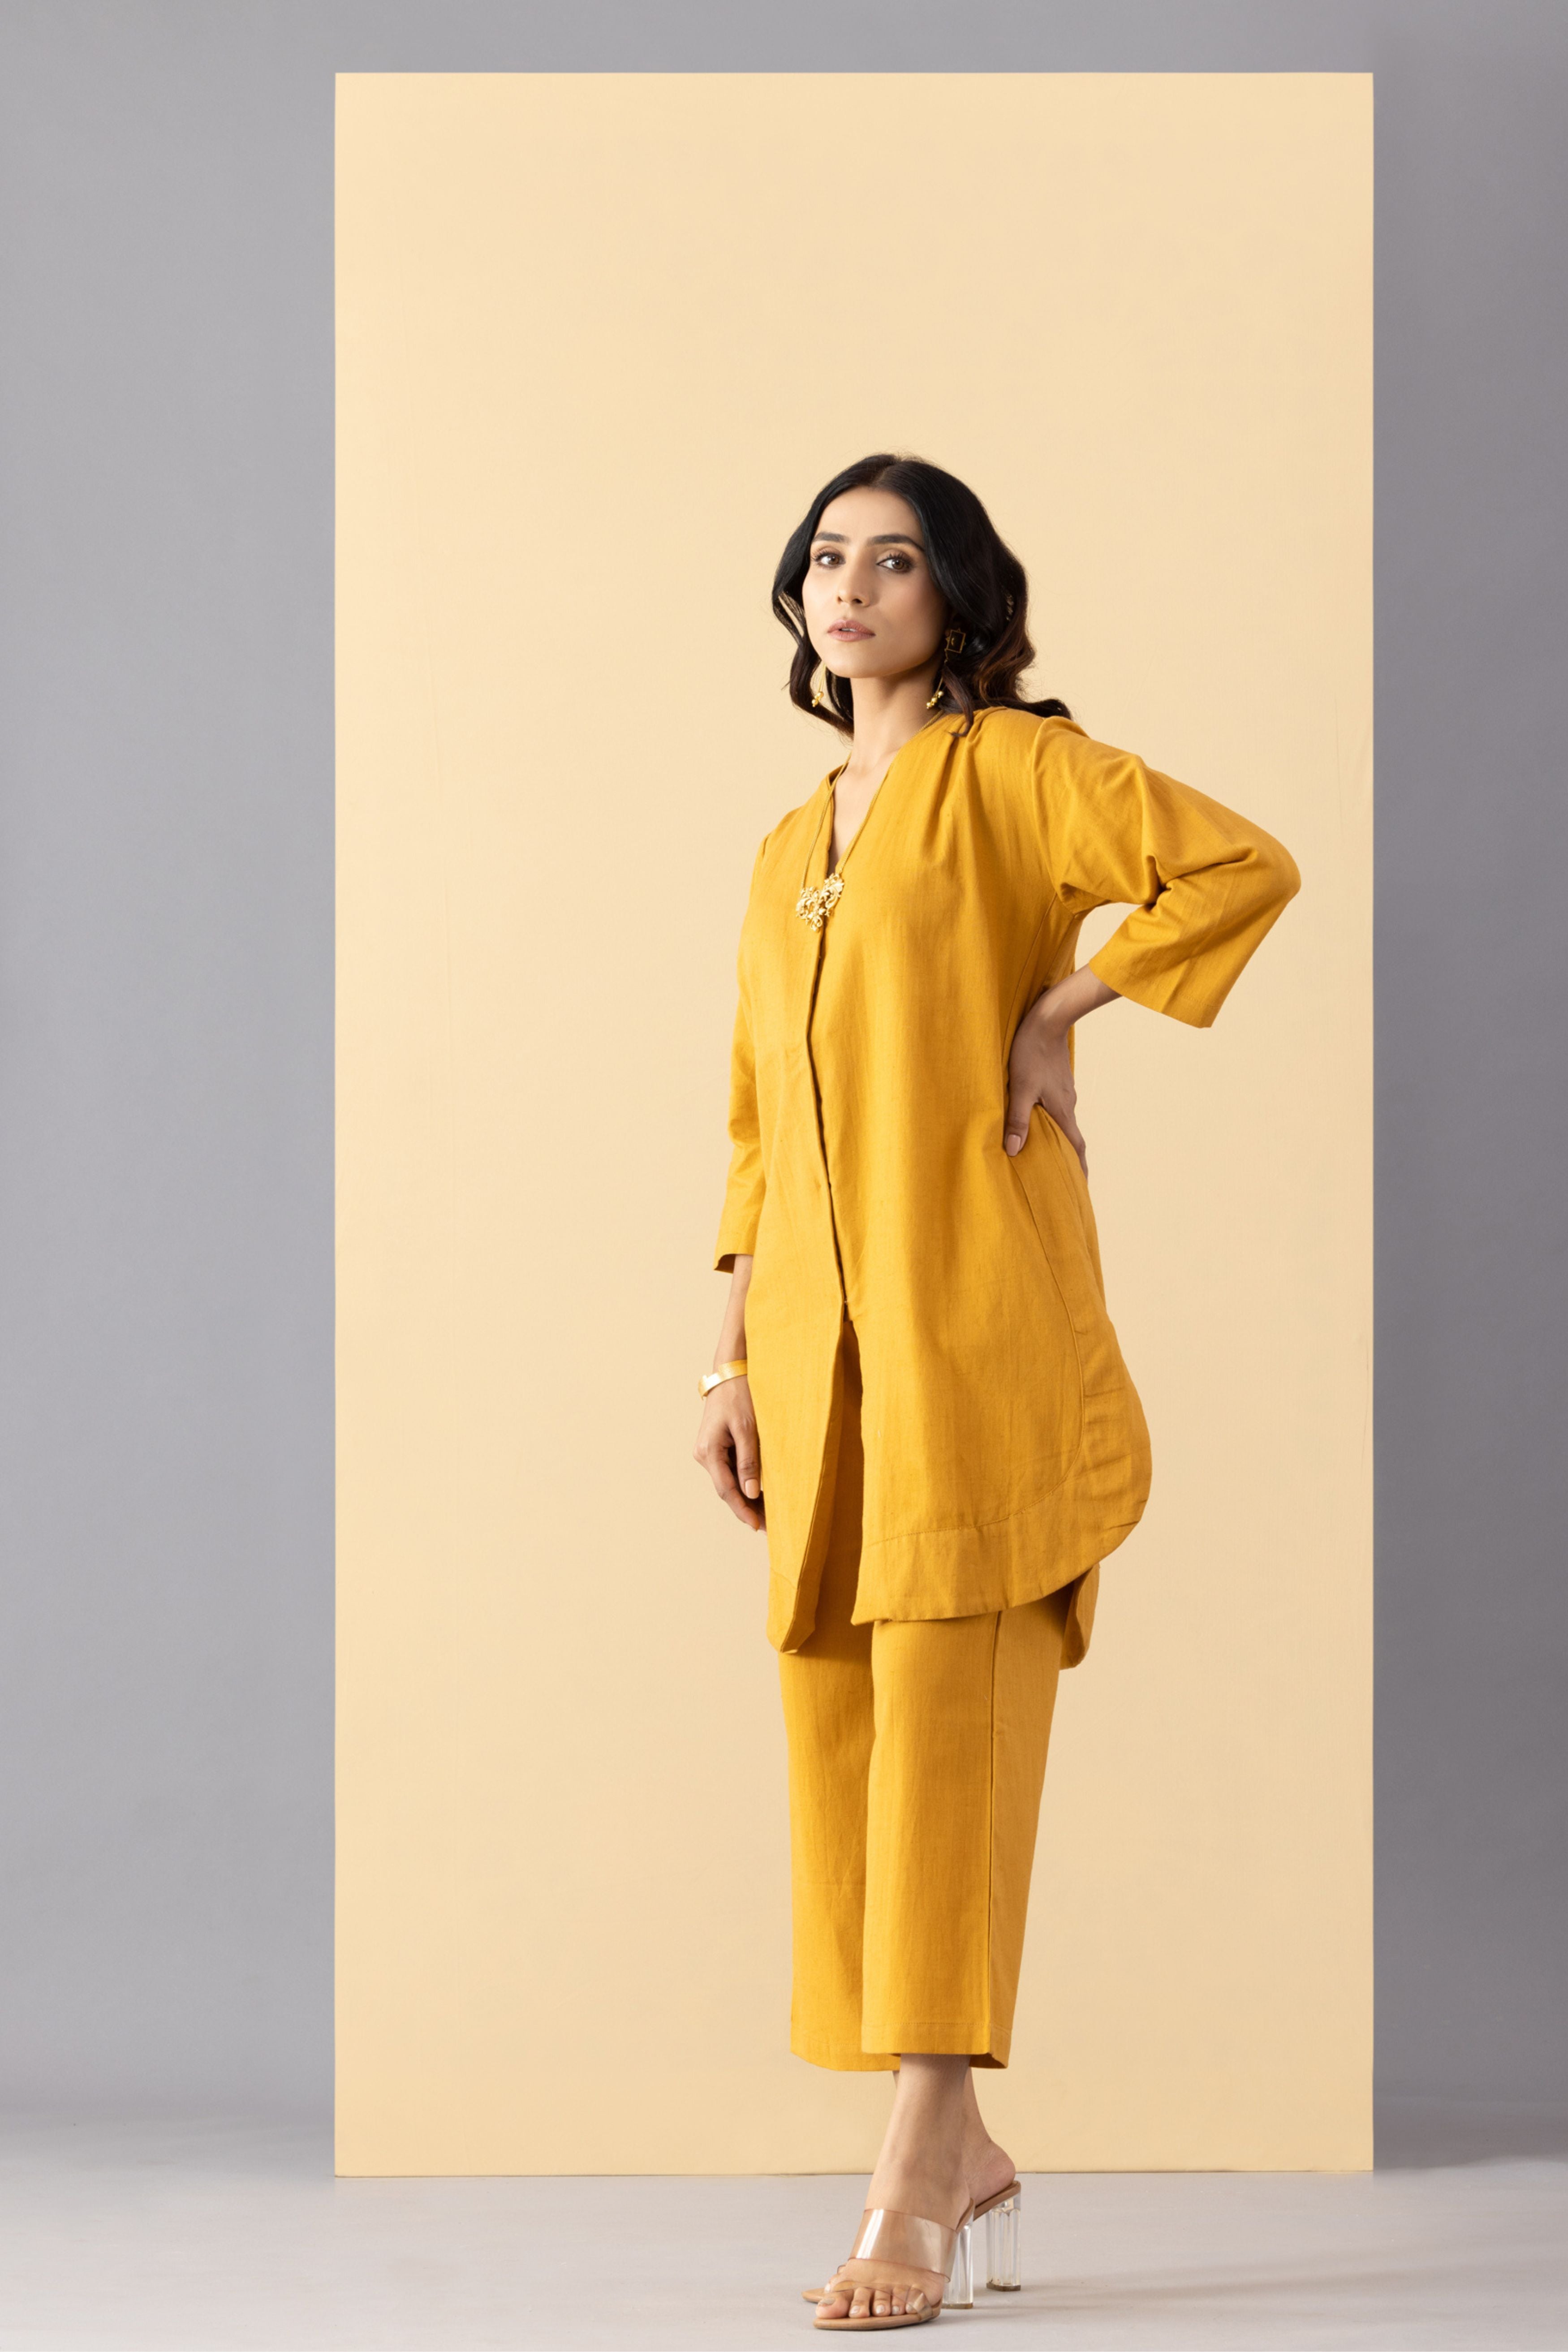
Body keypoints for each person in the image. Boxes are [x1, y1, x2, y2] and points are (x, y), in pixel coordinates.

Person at [693, 453, 1299, 2331]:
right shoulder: (787, 844)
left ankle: (913, 2169)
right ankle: (955, 2140)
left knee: (950, 1732)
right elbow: (754, 1120)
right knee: (847, 1734)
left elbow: (1239, 863)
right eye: (827, 555)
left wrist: (1064, 1002)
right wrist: (727, 1353)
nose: (851, 584)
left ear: (955, 595)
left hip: (971, 1328)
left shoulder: (1020, 770)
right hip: (818, 1357)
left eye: (894, 559)